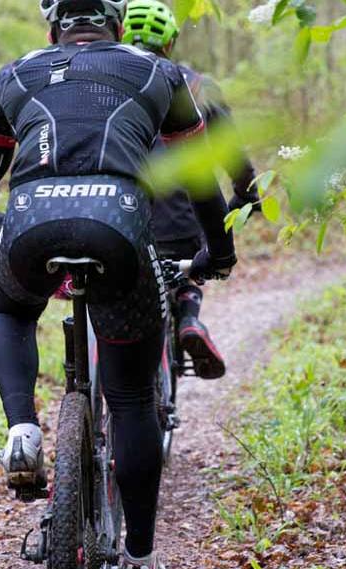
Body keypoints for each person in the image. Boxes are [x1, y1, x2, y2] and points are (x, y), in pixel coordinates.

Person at [0, 0, 236, 569]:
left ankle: (23, 429)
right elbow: (204, 180)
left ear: (53, 25)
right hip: (121, 228)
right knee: (132, 398)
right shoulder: (161, 74)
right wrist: (220, 250)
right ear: (116, 23)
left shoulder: (13, 73)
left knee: (8, 307)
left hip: (30, 226)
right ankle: (138, 557)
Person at [122, 0, 260, 380]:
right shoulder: (197, 85)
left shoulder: (106, 82)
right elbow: (233, 155)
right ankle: (188, 315)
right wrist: (248, 194)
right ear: (170, 44)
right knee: (196, 247)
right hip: (179, 217)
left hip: (114, 212)